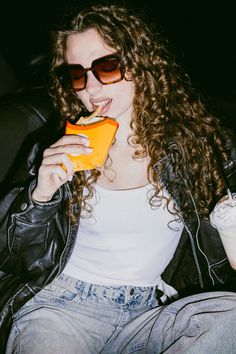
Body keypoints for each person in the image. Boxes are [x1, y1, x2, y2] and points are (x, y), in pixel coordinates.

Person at [0, 3, 236, 353]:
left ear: (140, 65)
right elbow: (13, 257)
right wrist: (40, 195)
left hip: (150, 311)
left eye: (106, 67)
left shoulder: (196, 150)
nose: (90, 87)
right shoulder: (54, 149)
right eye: (76, 75)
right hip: (60, 309)